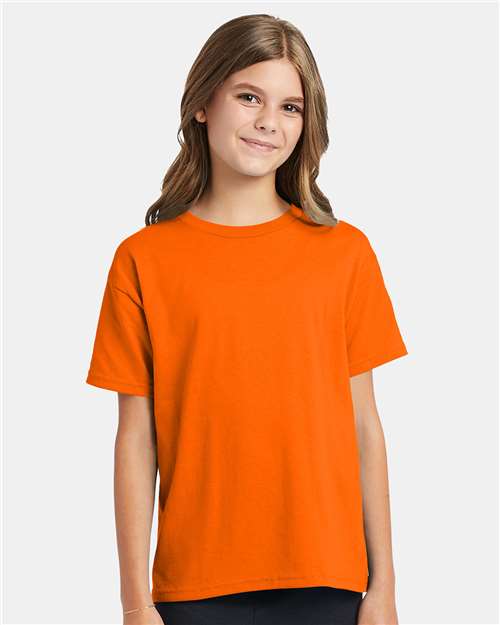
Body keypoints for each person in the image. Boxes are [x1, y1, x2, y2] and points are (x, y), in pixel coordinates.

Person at [85, 13, 409, 625]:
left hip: (328, 579)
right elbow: (136, 438)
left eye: (291, 107)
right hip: (192, 587)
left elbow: (365, 425)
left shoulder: (344, 253)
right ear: (202, 103)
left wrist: (384, 587)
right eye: (249, 97)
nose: (269, 122)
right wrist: (134, 603)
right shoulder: (143, 259)